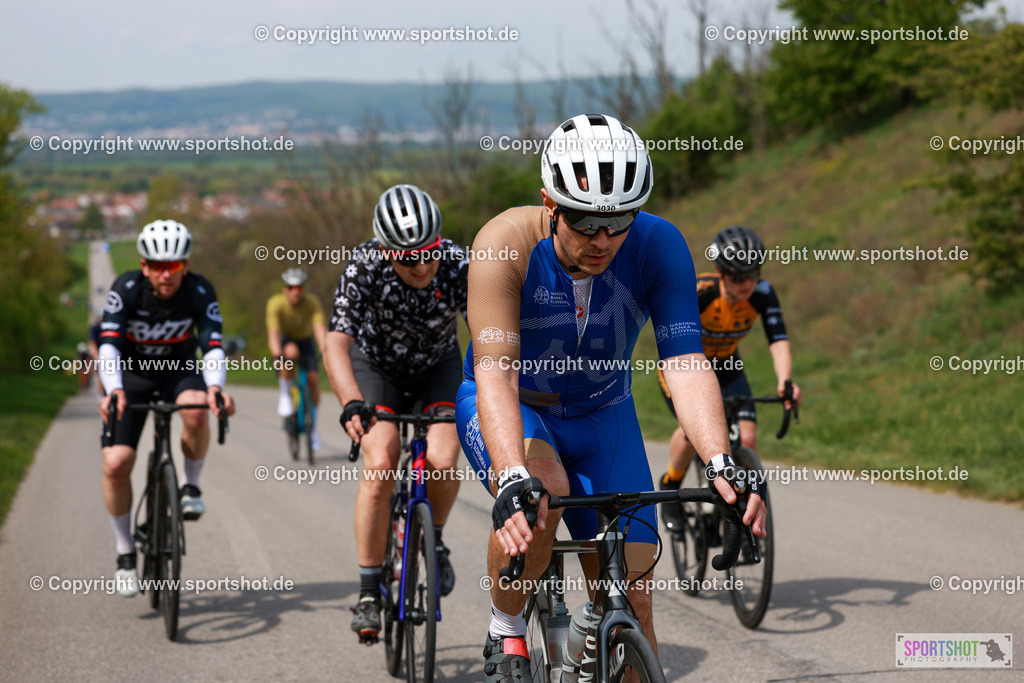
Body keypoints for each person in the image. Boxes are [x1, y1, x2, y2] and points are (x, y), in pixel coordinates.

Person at [453, 114, 767, 680]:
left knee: (633, 594)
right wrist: (509, 476)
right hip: (515, 405)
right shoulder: (504, 244)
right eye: (585, 223)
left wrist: (720, 461)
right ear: (549, 202)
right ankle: (506, 631)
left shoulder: (659, 245)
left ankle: (591, 636)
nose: (603, 242)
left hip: (604, 415)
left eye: (619, 222)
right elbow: (495, 371)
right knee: (542, 492)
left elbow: (685, 359)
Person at [322, 184, 469, 643]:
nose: (422, 266)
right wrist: (350, 402)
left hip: (437, 367)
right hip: (377, 368)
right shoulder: (365, 266)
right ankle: (369, 589)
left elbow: (488, 328)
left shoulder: (458, 263)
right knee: (382, 458)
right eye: (408, 259)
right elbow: (336, 343)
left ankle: (435, 540)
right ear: (386, 251)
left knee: (444, 457)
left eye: (429, 253)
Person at [97, 219, 236, 597]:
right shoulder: (126, 289)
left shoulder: (199, 289)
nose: (165, 274)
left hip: (179, 371)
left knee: (196, 409)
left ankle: (190, 486)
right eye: (157, 266)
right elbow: (108, 347)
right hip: (133, 376)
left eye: (173, 266)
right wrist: (113, 390)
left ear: (185, 265)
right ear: (144, 266)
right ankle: (125, 553)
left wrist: (215, 388)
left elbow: (213, 346)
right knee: (116, 463)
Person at [657, 225, 802, 530]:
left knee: (747, 438)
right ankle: (671, 485)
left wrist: (785, 381)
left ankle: (746, 514)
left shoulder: (762, 294)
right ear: (721, 272)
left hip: (726, 366)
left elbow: (778, 339)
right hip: (688, 367)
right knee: (692, 430)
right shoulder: (700, 293)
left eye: (753, 273)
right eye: (738, 276)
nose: (747, 282)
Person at [266, 267, 328, 450]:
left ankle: (313, 426)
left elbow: (319, 329)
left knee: (313, 380)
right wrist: (277, 355)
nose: (295, 292)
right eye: (291, 287)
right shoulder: (276, 304)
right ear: (284, 289)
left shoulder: (312, 303)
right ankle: (286, 394)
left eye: (299, 288)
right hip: (287, 340)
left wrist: (326, 351)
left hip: (305, 340)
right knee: (290, 354)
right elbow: (273, 334)